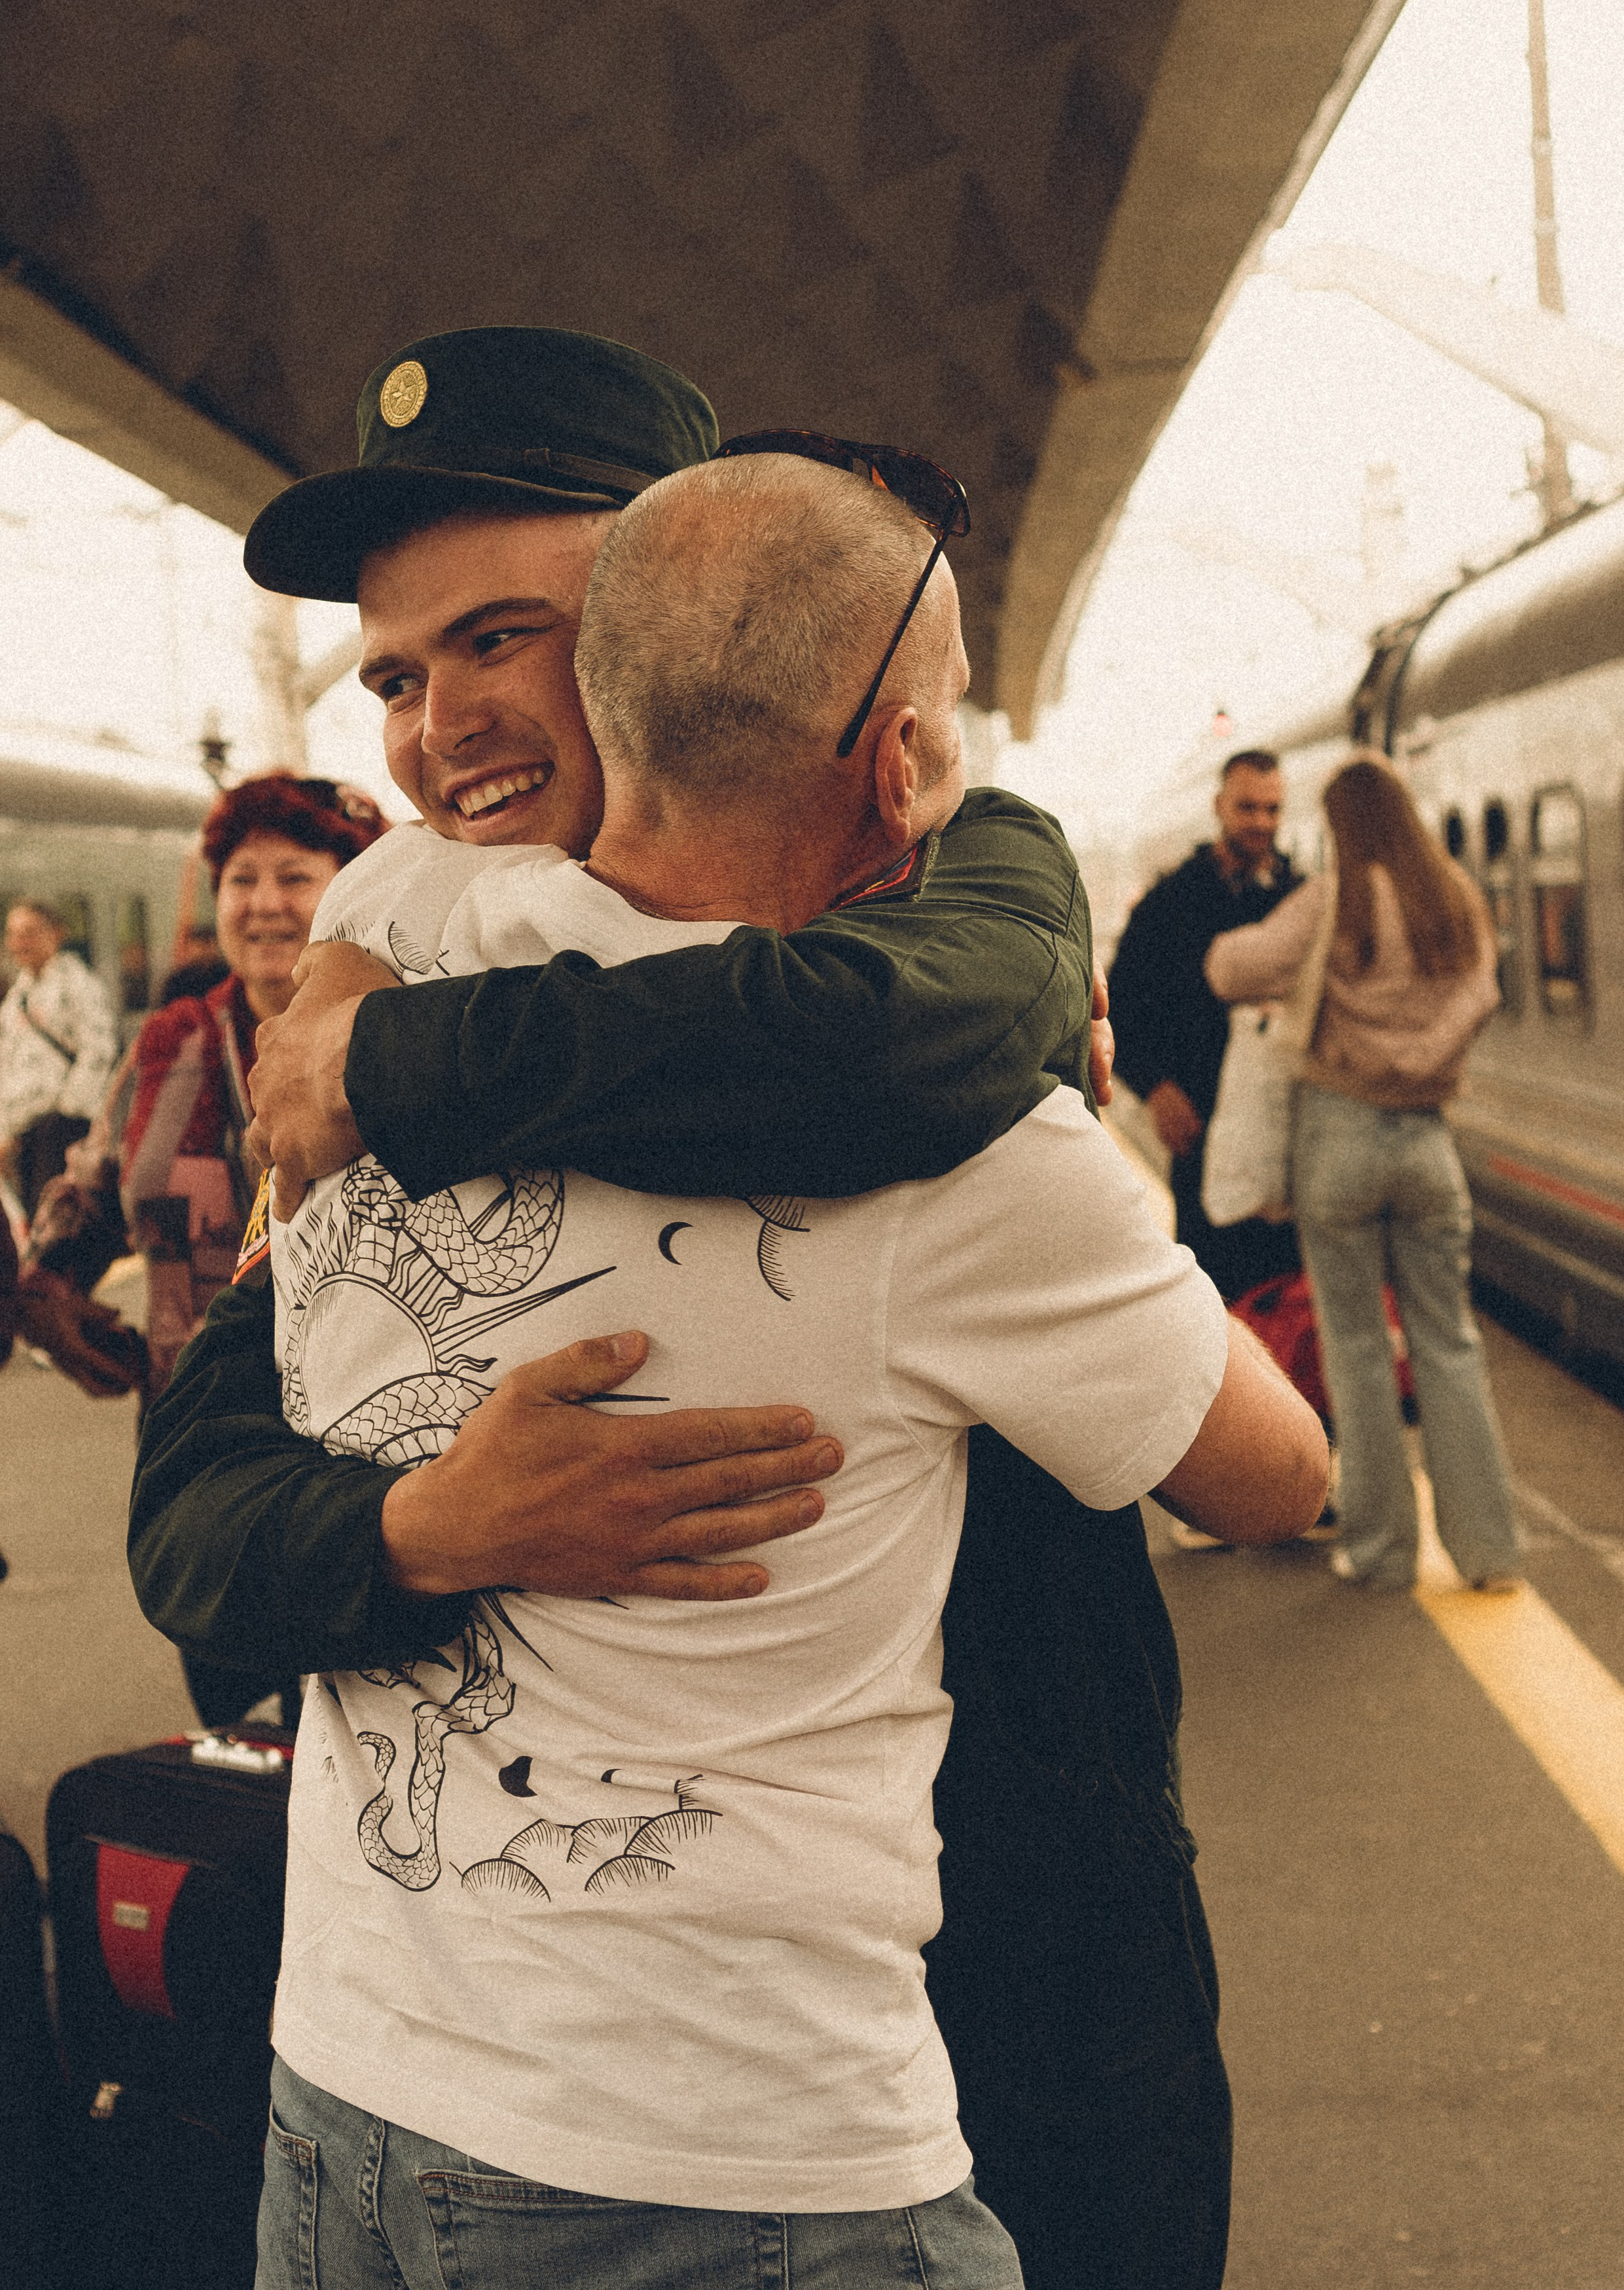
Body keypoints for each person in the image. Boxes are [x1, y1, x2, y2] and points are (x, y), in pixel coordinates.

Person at [132, 326, 1248, 2287]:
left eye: (506, 634)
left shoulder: (897, 974)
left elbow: (903, 1027)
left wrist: (400, 1065)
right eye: (398, 670)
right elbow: (195, 1520)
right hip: (533, 2093)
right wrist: (415, 1526)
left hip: (998, 1976)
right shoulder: (385, 959)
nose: (438, 720)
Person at [1205, 754, 1522, 1593]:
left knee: (1355, 1351)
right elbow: (1482, 994)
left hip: (1338, 1140)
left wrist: (1257, 951)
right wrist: (1418, 1057)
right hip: (1425, 1142)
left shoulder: (1333, 900)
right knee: (1449, 1343)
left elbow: (1230, 970)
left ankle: (1383, 1555)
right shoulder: (1451, 899)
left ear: (1341, 825)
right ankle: (1490, 1554)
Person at [124, 771, 386, 1721]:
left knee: (358, 1710)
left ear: (352, 887)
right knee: (232, 1710)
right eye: (242, 879)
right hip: (200, 1419)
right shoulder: (179, 1035)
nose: (265, 904)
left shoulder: (405, 1029)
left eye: (295, 876)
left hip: (356, 1423)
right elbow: (93, 1175)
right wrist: (52, 1290)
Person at [1109, 750, 1305, 1303]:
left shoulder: (1297, 898)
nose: (1262, 823)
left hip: (1287, 1139)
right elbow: (1117, 1006)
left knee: (1286, 1304)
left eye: (1273, 810)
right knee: (1212, 1302)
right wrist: (1155, 1090)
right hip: (1199, 1128)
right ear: (1220, 807)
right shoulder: (1169, 902)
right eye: (1248, 808)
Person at [0, 899, 116, 1218]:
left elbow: (99, 1050)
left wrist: (67, 1110)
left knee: (59, 1220)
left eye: (30, 933)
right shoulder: (18, 996)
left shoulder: (79, 986)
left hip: (61, 1128)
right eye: (12, 934)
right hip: (26, 1131)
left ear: (56, 934)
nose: (19, 943)